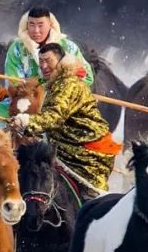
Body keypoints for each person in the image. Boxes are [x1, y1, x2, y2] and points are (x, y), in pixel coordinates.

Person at [10, 43, 120, 196]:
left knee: (88, 200)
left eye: (48, 60)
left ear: (61, 61)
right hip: (65, 147)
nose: (44, 66)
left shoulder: (68, 84)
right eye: (41, 61)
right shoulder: (55, 84)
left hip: (87, 155)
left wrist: (27, 122)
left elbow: (54, 117)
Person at [0, 6, 94, 119]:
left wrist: (62, 85)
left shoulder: (68, 47)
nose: (36, 31)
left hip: (61, 106)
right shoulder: (17, 48)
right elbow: (15, 82)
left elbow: (87, 78)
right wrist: (31, 96)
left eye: (41, 25)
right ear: (26, 25)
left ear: (50, 25)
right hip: (24, 104)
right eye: (32, 25)